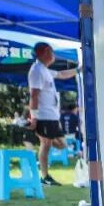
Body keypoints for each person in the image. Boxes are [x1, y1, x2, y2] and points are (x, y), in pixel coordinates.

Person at [28, 42, 78, 185]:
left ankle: (44, 173)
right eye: (52, 52)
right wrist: (34, 117)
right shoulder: (36, 70)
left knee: (62, 144)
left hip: (52, 116)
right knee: (46, 144)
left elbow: (61, 74)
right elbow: (34, 95)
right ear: (45, 52)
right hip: (43, 115)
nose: (54, 55)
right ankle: (45, 177)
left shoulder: (44, 70)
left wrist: (78, 70)